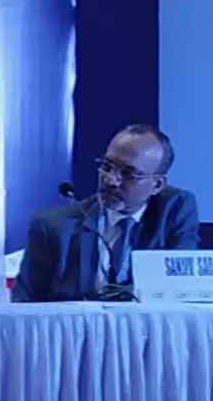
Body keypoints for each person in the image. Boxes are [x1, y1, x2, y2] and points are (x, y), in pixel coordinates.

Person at [14, 123, 199, 302]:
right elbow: (25, 303)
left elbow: (179, 285)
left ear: (157, 185)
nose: (111, 180)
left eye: (128, 174)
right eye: (107, 166)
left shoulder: (173, 209)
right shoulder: (53, 227)